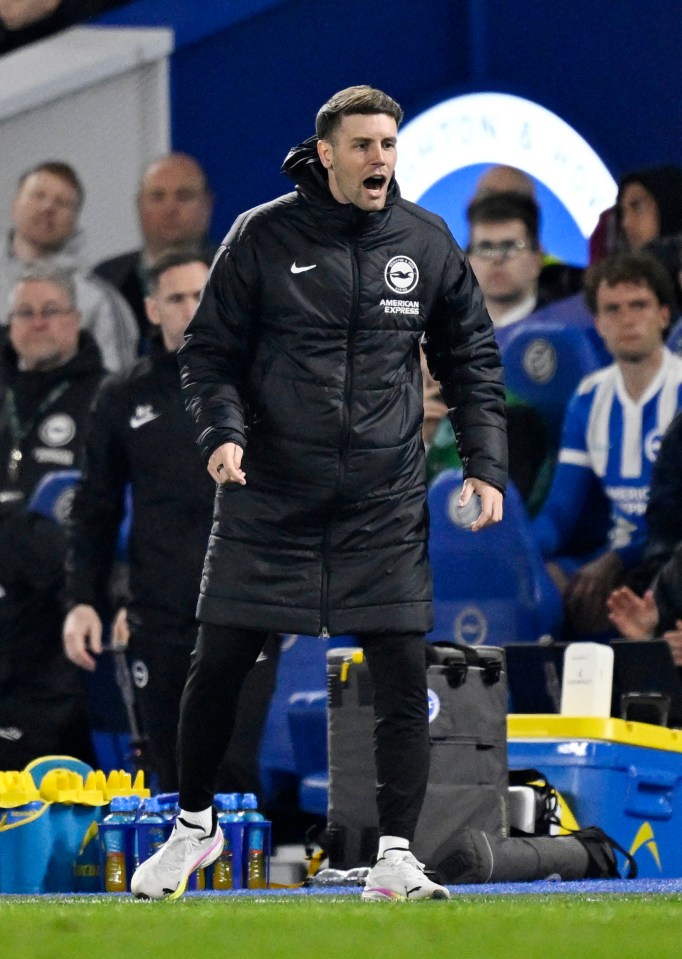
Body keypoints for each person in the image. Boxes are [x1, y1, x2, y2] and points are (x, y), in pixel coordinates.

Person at [129, 85, 507, 902]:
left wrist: (485, 463)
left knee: (403, 668)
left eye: (389, 144)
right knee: (217, 664)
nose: (380, 159)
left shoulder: (425, 241)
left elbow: (471, 357)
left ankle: (397, 854)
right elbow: (209, 353)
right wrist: (221, 432)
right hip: (270, 494)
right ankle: (194, 826)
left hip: (382, 499)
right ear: (327, 153)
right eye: (364, 145)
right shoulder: (261, 236)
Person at [61, 250, 279, 793]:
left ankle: (237, 857)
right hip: (160, 617)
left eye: (201, 296)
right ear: (152, 309)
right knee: (176, 774)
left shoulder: (261, 384)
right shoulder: (123, 396)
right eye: (177, 298)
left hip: (248, 604)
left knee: (232, 770)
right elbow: (95, 507)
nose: (191, 308)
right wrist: (83, 599)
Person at [530, 252, 682, 636]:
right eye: (613, 309)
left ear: (665, 316)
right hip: (610, 555)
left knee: (606, 595)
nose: (627, 319)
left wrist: (620, 558)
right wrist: (520, 550)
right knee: (539, 583)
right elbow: (560, 512)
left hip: (670, 557)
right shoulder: (589, 397)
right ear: (597, 324)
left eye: (639, 305)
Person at [0, 265, 105, 769]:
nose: (37, 322)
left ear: (76, 319)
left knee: (43, 772)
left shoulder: (106, 398)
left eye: (50, 311)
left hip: (59, 625)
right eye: (25, 313)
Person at [0, 161, 138, 371]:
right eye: (38, 196)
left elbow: (119, 382)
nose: (47, 207)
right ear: (14, 205)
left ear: (75, 219)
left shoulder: (100, 301)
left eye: (62, 203)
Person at [93, 153, 215, 351]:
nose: (170, 208)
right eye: (158, 196)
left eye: (183, 196)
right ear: (139, 205)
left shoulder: (239, 273)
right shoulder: (105, 281)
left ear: (207, 204)